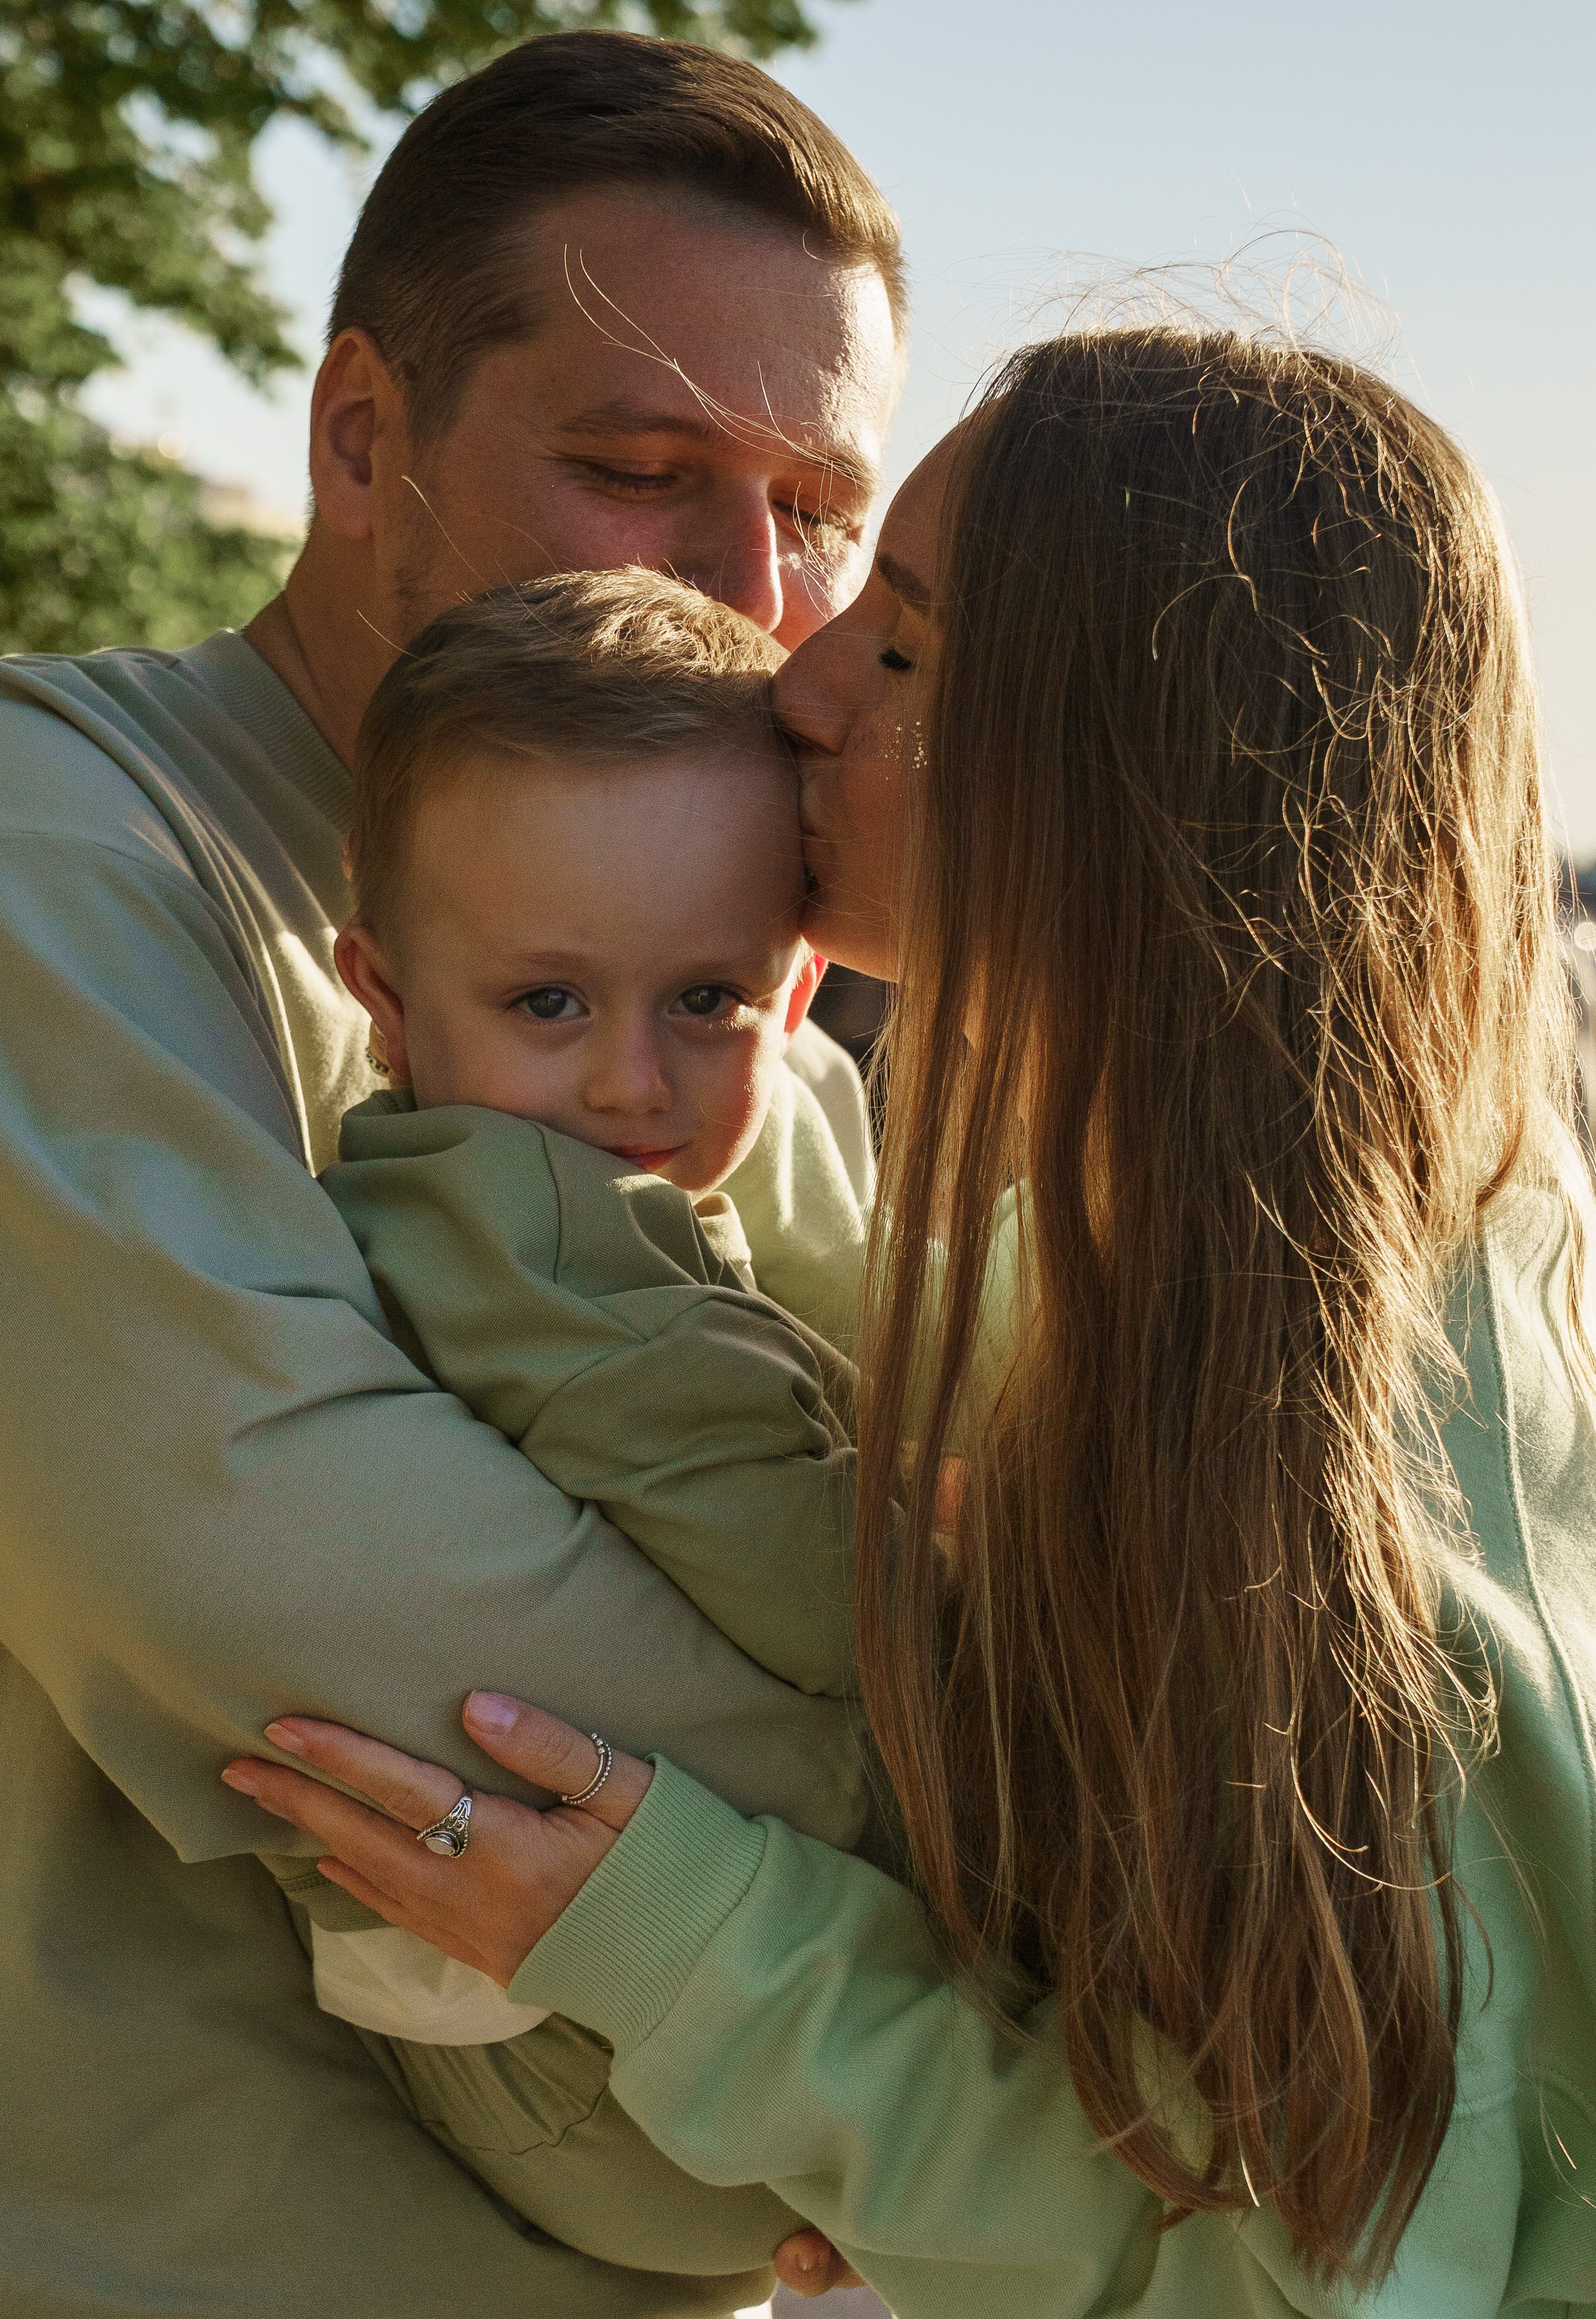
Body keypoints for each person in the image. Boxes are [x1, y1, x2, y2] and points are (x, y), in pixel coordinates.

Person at [237, 325, 1596, 2317]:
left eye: (898, 645)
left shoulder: (1351, 1429)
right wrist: (917, 2181)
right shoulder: (1087, 1243)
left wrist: (703, 1954)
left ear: (1118, 768)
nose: (792, 678)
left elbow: (1316, 2281)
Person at [0, 30, 902, 2318]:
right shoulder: (60, 854)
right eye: (640, 467)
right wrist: (990, 1984)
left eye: (822, 510)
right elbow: (319, 1594)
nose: (752, 592)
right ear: (358, 438)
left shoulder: (710, 984)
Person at [294, 566, 866, 2275]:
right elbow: (816, 1589)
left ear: (803, 982)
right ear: (384, 998)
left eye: (710, 1001)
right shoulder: (538, 1240)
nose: (631, 1082)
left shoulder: (524, 1179)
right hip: (560, 2064)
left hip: (535, 2026)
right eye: (549, 1003)